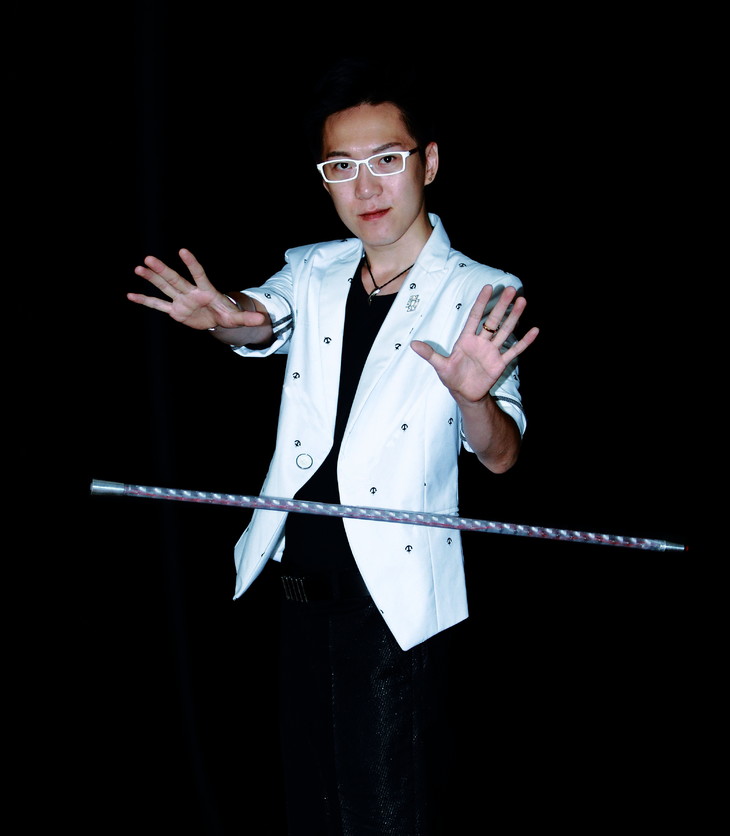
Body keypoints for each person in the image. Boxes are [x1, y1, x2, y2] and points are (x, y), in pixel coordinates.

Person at [128, 58, 539, 835]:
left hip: (392, 602)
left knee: (386, 811)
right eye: (341, 167)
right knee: (310, 802)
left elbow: (501, 455)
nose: (366, 186)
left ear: (429, 162)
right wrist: (222, 316)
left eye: (386, 159)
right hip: (300, 583)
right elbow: (260, 318)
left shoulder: (481, 290)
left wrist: (472, 397)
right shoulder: (313, 268)